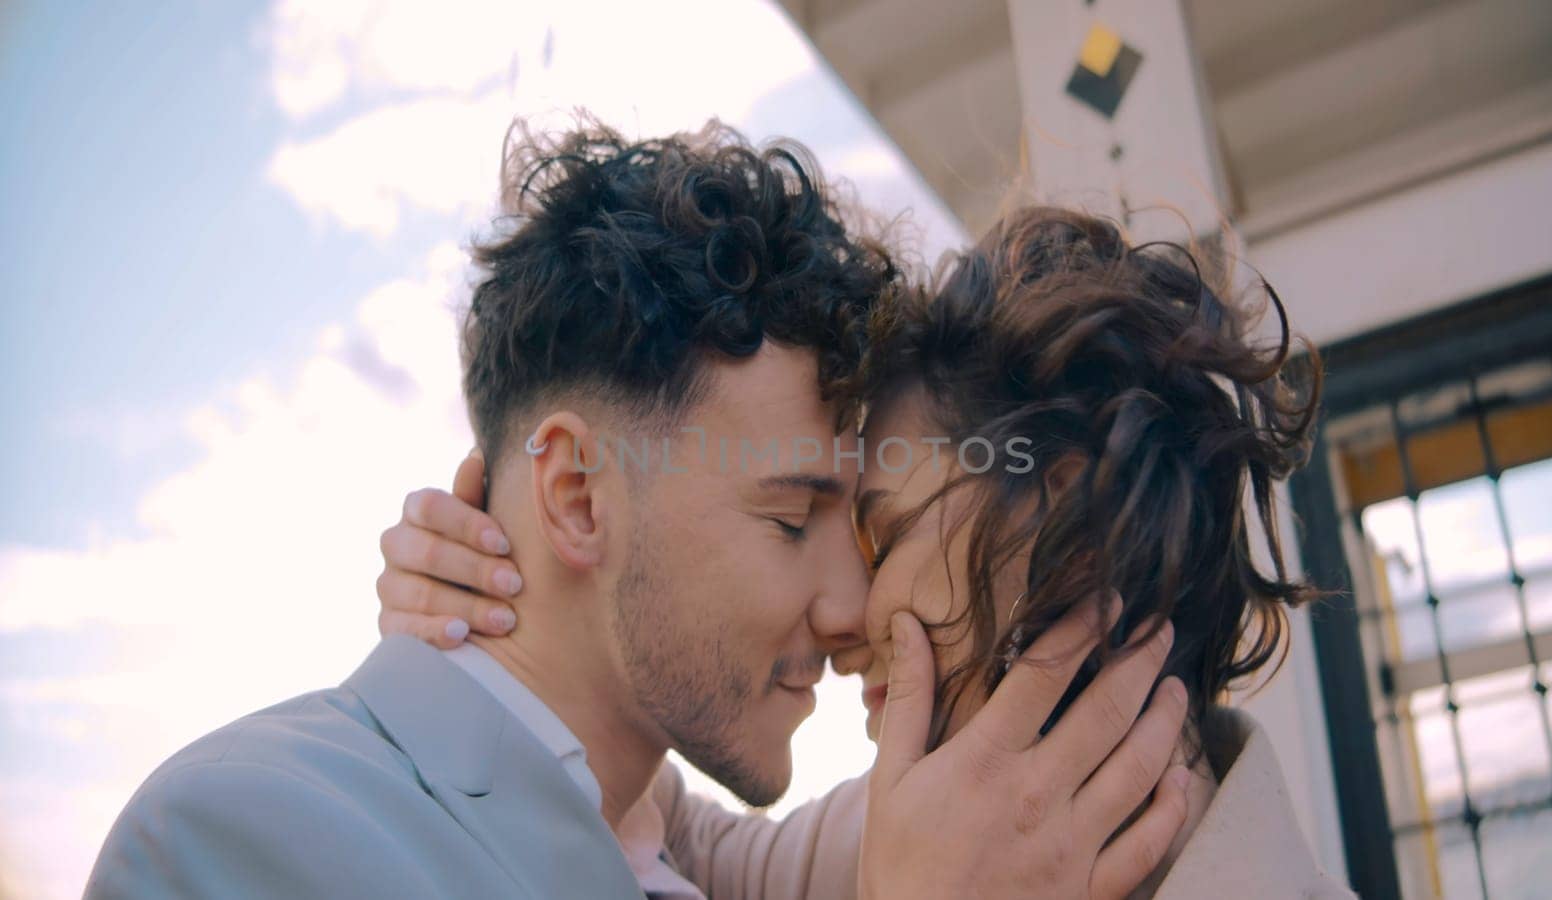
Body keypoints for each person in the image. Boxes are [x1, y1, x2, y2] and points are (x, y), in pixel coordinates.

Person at [85, 122, 1188, 900]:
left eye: (858, 524)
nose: (852, 601)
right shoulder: (243, 839)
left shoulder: (677, 843)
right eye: (790, 519)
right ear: (574, 497)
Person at [379, 207, 1358, 899]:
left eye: (880, 532)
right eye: (800, 523)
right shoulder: (894, 835)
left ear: (1063, 514)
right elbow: (659, 822)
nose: (845, 615)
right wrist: (501, 595)